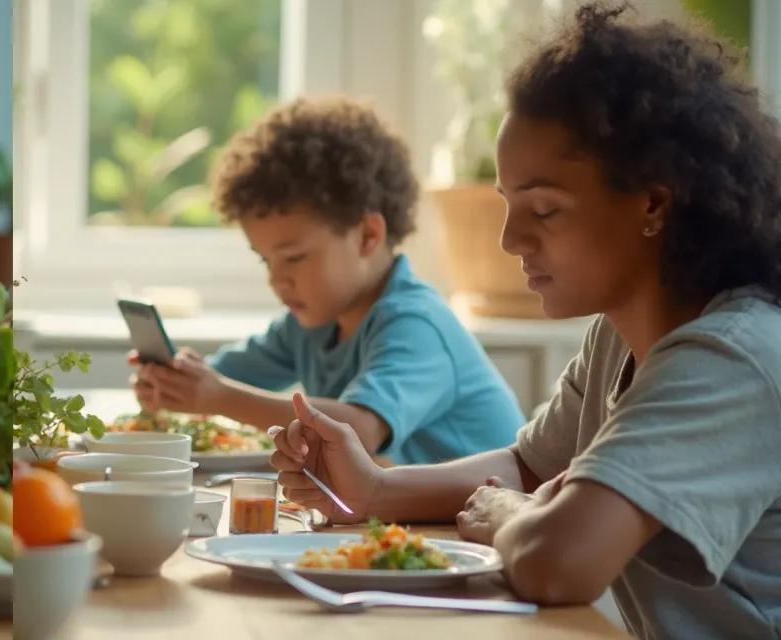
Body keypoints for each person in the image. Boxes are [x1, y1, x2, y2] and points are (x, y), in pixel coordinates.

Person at [269, 4, 781, 637]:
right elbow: (528, 465)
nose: (511, 240)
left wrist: (514, 514)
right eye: (509, 205)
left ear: (653, 202)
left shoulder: (730, 358)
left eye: (544, 210)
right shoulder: (619, 334)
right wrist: (374, 489)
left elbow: (557, 561)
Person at [133, 97, 523, 465]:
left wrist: (218, 396)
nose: (277, 279)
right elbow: (225, 378)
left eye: (294, 257)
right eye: (265, 260)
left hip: (483, 523)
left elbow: (358, 429)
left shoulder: (417, 325)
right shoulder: (312, 321)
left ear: (367, 236)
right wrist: (175, 385)